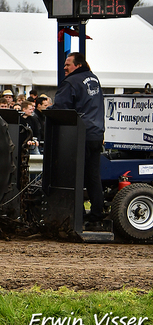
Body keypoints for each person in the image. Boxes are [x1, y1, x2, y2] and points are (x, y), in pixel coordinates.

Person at [51, 52, 105, 228]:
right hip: (96, 134)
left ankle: (78, 216)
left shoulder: (71, 83)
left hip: (79, 135)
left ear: (78, 65)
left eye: (68, 64)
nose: (65, 67)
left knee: (74, 176)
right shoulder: (94, 79)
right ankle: (97, 215)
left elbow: (61, 109)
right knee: (93, 177)